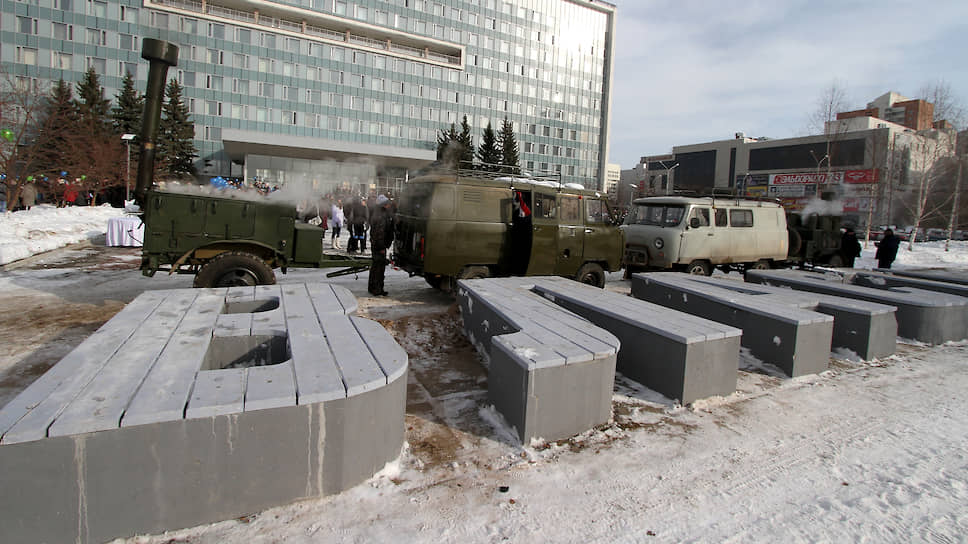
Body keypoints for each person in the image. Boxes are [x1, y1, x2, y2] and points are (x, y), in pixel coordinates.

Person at [368, 194, 394, 296]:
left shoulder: (377, 214)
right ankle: (377, 289)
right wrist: (382, 247)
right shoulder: (381, 216)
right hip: (379, 246)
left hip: (376, 245)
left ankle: (372, 287)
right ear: (383, 205)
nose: (389, 205)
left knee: (375, 267)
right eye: (387, 204)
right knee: (379, 268)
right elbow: (380, 233)